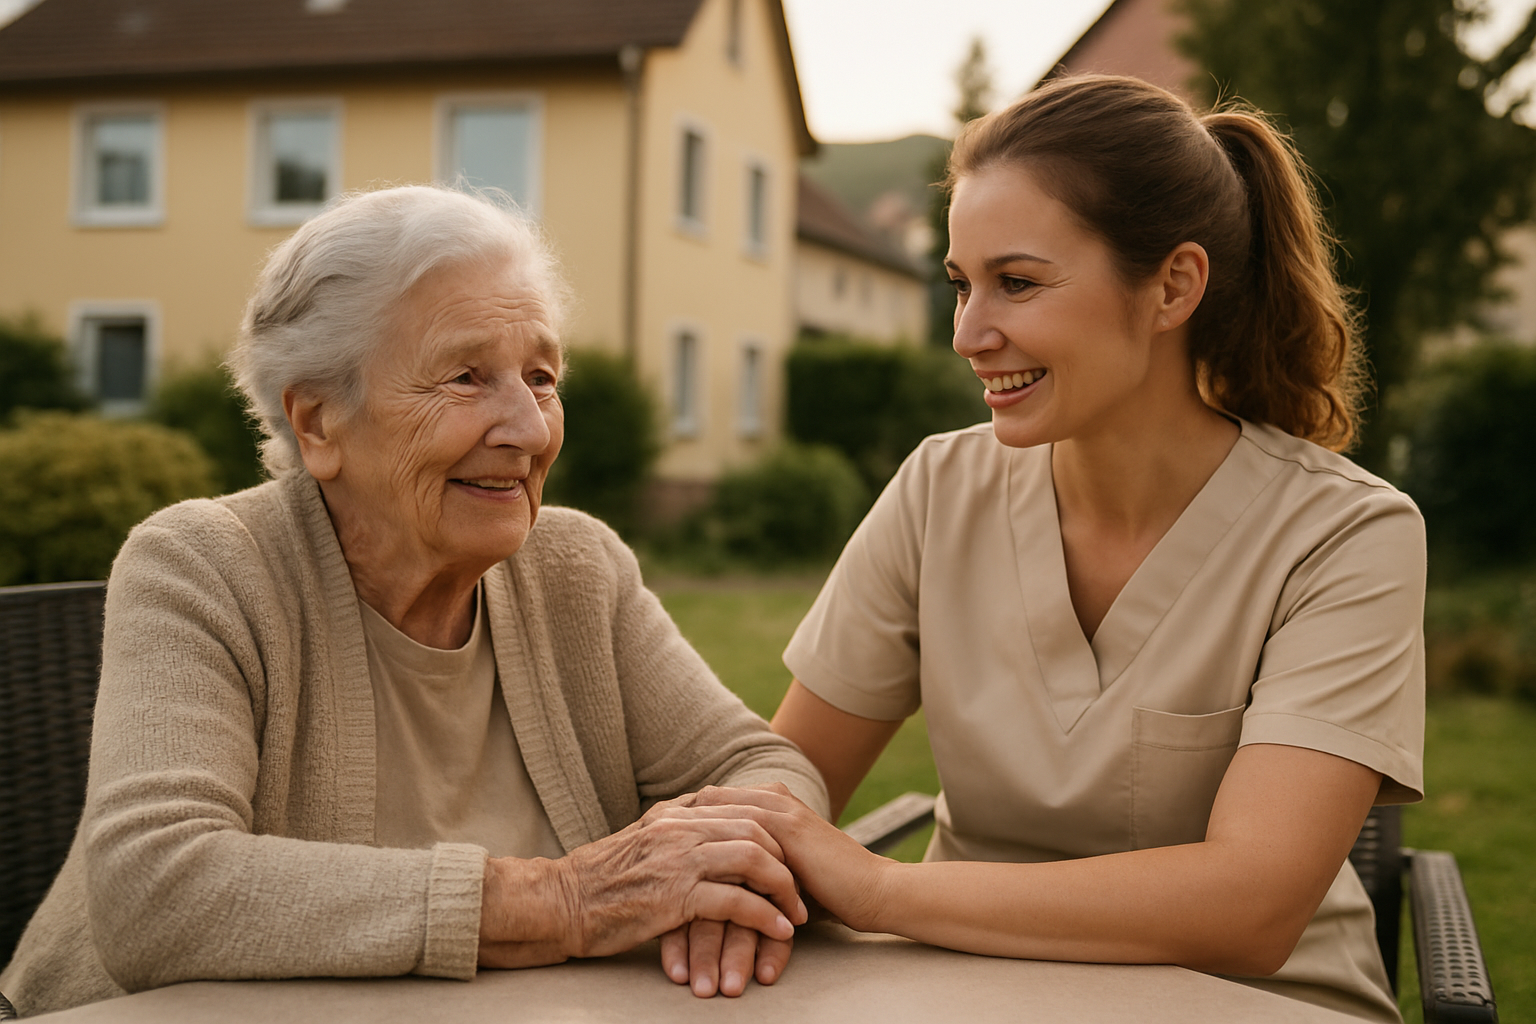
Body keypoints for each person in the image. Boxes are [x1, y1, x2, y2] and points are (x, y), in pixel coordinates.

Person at [664, 75, 1423, 1023]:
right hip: (965, 995)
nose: (968, 334)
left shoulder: (1347, 535)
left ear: (1174, 287)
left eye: (1016, 283)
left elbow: (1252, 908)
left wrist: (878, 890)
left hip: (1255, 1002)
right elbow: (790, 776)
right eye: (960, 285)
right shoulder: (940, 490)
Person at [0, 185, 825, 1016]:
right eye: (467, 378)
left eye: (541, 377)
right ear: (319, 423)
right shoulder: (203, 568)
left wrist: (728, 888)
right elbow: (156, 889)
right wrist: (566, 901)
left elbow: (764, 768)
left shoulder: (576, 568)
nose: (531, 430)